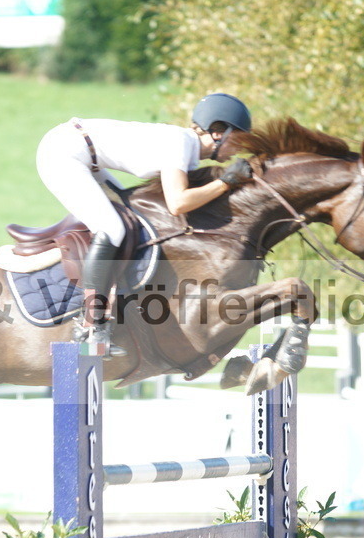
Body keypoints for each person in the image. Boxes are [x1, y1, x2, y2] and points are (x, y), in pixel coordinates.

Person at [35, 93, 254, 354]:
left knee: (131, 219)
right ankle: (91, 326)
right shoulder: (181, 143)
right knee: (113, 229)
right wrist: (226, 182)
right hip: (63, 153)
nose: (239, 148)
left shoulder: (185, 146)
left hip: (83, 153)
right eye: (238, 139)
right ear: (218, 132)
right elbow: (178, 203)